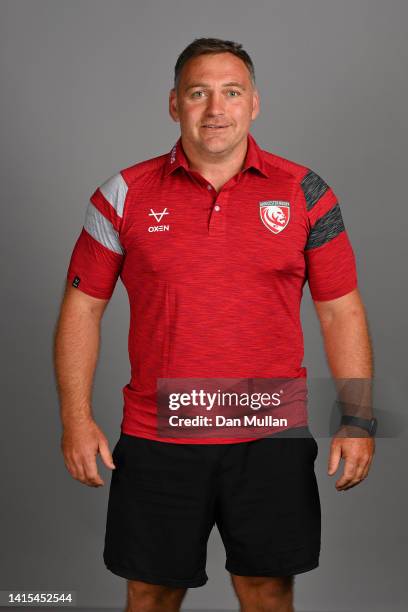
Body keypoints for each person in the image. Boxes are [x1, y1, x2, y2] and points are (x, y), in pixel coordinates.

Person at [54, 38, 375, 612]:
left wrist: (358, 419)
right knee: (150, 593)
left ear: (255, 103)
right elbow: (82, 308)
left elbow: (341, 309)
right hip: (159, 437)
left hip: (270, 434)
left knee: (269, 591)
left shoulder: (306, 193)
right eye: (198, 93)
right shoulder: (121, 195)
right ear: (174, 104)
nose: (215, 109)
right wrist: (75, 420)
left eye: (232, 92)